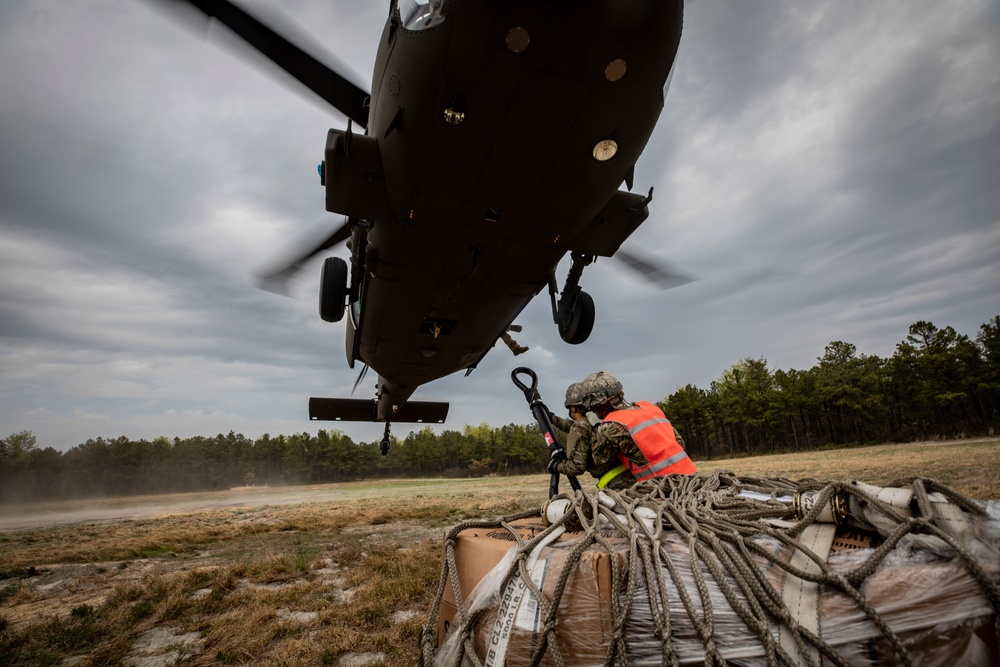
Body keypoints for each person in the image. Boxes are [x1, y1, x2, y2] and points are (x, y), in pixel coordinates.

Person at [578, 370, 697, 489]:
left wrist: (589, 432)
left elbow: (600, 462)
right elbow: (680, 443)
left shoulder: (610, 427)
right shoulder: (650, 408)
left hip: (663, 487)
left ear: (595, 405)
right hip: (691, 478)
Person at [547, 382, 639, 490]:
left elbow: (576, 467)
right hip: (631, 477)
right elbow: (574, 428)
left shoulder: (580, 428)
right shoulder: (598, 421)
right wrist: (552, 418)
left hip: (615, 486)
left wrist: (557, 466)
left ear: (573, 408)